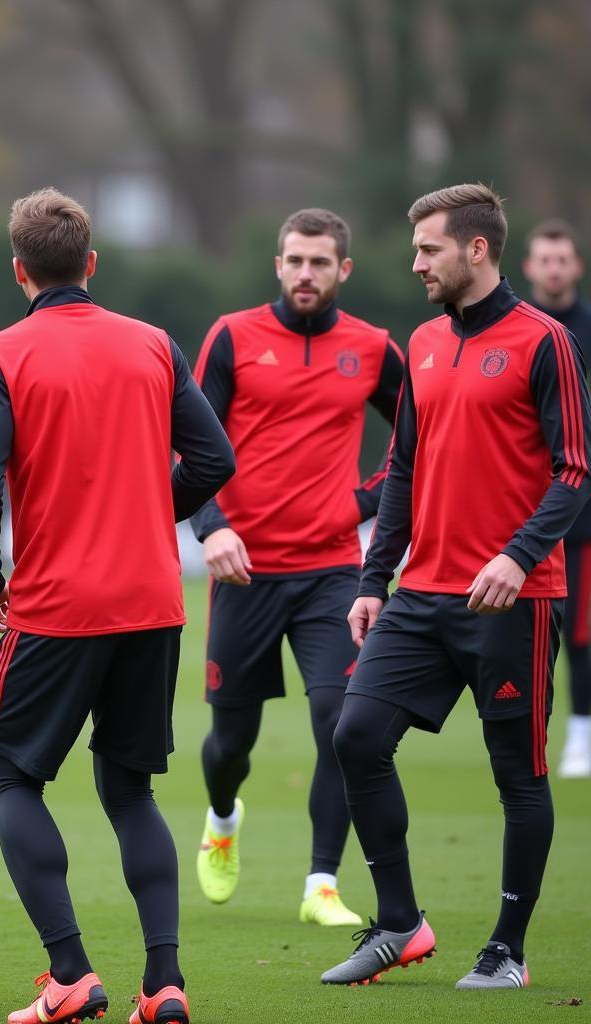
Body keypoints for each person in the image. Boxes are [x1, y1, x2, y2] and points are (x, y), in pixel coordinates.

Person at [0, 187, 234, 1024]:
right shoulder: (153, 344)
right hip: (153, 603)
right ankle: (165, 985)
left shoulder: (1, 353)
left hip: (56, 607)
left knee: (10, 775)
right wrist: (156, 512)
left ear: (18, 271)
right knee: (131, 791)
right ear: (92, 263)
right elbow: (214, 457)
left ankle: (71, 974)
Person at [323, 184, 591, 990]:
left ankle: (506, 949)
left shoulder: (545, 342)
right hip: (421, 595)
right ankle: (401, 922)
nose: (415, 264)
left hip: (515, 597)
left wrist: (518, 555)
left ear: (477, 249)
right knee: (355, 736)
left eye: (429, 249)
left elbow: (576, 468)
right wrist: (375, 577)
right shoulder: (426, 342)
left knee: (519, 774)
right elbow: (402, 465)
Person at [190, 208, 403, 925]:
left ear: (344, 270)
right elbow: (186, 442)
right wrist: (211, 528)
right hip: (243, 571)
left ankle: (322, 885)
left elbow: (426, 432)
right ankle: (222, 819)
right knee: (230, 742)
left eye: (319, 262)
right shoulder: (232, 336)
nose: (305, 273)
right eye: (294, 260)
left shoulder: (373, 348)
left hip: (333, 573)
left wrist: (367, 502)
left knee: (340, 722)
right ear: (276, 265)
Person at [523, 219, 591, 778]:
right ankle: (529, 734)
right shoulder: (523, 331)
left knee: (583, 632)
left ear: (576, 266)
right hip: (526, 511)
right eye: (544, 259)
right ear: (529, 267)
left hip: (584, 511)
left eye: (561, 259)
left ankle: (580, 735)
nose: (553, 268)